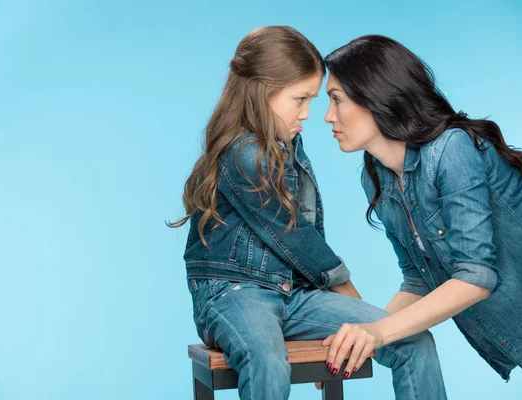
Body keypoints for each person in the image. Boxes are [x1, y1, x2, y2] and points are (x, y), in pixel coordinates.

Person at [169, 26, 447, 399]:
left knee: (412, 340)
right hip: (234, 295)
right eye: (300, 99)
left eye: (313, 100)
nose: (309, 113)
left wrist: (357, 324)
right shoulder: (244, 154)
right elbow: (298, 239)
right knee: (266, 359)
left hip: (295, 297)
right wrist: (353, 306)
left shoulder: (289, 146)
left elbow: (308, 237)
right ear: (262, 91)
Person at [322, 34, 522, 383]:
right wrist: (359, 339)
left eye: (336, 100)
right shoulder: (377, 178)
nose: (327, 117)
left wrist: (378, 333)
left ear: (374, 96)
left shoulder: (451, 150)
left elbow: (476, 278)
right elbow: (419, 279)